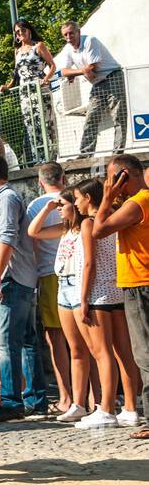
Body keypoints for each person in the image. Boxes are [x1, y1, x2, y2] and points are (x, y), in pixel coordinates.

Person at [33, 181, 138, 428]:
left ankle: (107, 409)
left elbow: (89, 263)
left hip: (98, 292)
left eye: (77, 198)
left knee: (103, 354)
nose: (76, 203)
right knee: (122, 353)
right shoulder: (112, 218)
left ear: (88, 198)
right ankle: (130, 408)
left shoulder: (91, 222)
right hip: (115, 289)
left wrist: (83, 298)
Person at [0, 154, 40, 422]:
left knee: (6, 342)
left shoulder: (5, 199)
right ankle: (35, 399)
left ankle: (13, 401)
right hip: (20, 278)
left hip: (12, 278)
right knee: (26, 341)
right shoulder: (6, 199)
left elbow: (7, 238)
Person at [92, 154, 149, 438]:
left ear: (125, 175)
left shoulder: (138, 202)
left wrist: (106, 197)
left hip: (140, 284)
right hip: (138, 283)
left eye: (114, 178)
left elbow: (98, 229)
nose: (111, 184)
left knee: (144, 354)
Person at [25, 162, 71, 412]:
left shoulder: (35, 205)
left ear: (40, 182)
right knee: (82, 339)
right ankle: (91, 395)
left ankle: (66, 397)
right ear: (63, 177)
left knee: (56, 338)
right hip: (75, 270)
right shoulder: (72, 198)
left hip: (48, 273)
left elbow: (31, 245)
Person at [55, 19, 125, 155]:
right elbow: (64, 72)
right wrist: (82, 71)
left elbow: (93, 66)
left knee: (118, 117)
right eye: (65, 35)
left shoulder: (90, 41)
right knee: (91, 118)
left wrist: (76, 72)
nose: (68, 37)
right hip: (98, 84)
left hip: (113, 77)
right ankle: (85, 154)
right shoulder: (68, 49)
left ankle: (118, 154)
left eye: (71, 33)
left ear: (78, 32)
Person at [1, 20, 57, 166]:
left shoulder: (38, 46)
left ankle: (50, 158)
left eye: (22, 30)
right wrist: (9, 86)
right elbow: (16, 73)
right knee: (30, 124)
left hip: (39, 88)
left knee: (45, 122)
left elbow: (52, 65)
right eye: (17, 32)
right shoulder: (17, 51)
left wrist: (45, 78)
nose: (20, 33)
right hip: (24, 92)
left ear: (29, 30)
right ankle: (38, 159)